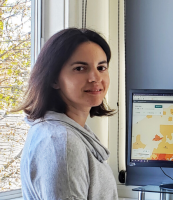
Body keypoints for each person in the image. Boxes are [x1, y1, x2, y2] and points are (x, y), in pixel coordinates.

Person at [14, 28, 119, 200]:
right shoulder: (61, 142)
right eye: (80, 68)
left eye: (101, 67)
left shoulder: (70, 131)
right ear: (54, 79)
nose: (95, 77)